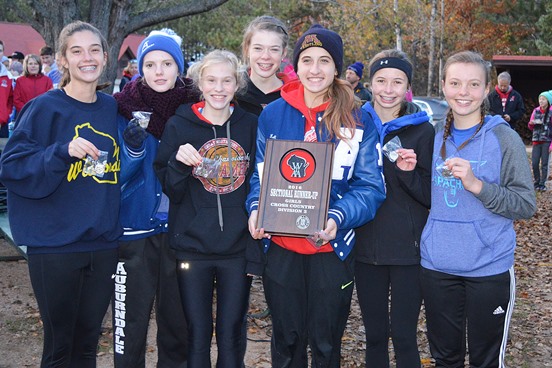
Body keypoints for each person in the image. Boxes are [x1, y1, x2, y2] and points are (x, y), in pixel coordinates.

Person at [246, 24, 386, 367]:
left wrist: (337, 216)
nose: (315, 69)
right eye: (307, 60)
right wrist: (255, 209)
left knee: (325, 345)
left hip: (330, 249)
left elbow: (371, 186)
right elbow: (260, 177)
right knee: (286, 343)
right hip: (281, 247)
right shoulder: (273, 113)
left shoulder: (359, 116)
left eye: (324, 61)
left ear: (336, 67)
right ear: (296, 65)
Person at [0, 21, 122, 367]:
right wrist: (61, 152)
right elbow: (12, 167)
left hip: (102, 244)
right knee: (59, 348)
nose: (87, 58)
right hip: (55, 246)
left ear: (105, 56)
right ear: (63, 60)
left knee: (87, 346)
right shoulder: (43, 108)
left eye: (94, 50)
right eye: (77, 51)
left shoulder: (112, 108)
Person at [420, 51, 537, 367]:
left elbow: (526, 204)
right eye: (455, 83)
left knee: (485, 361)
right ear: (443, 86)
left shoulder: (504, 138)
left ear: (487, 89)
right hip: (437, 266)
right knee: (445, 359)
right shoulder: (431, 137)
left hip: (489, 268)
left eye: (473, 84)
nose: (463, 92)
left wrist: (477, 186)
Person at [154, 49, 260, 367]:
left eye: (227, 81)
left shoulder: (250, 125)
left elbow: (261, 179)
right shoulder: (179, 125)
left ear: (237, 83)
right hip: (192, 248)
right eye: (211, 80)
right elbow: (170, 189)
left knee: (231, 334)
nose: (219, 88)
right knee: (197, 334)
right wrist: (178, 163)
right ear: (200, 82)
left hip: (237, 248)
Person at [112, 28, 196, 368]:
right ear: (140, 69)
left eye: (166, 63)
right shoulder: (121, 110)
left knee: (177, 325)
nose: (158, 71)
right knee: (129, 326)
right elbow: (109, 179)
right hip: (134, 230)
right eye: (149, 64)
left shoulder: (196, 109)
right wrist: (132, 150)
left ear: (179, 67)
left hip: (179, 231)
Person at [355, 49, 434, 368]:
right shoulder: (352, 123)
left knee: (403, 336)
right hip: (363, 248)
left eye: (397, 82)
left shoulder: (422, 130)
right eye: (381, 81)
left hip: (408, 252)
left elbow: (431, 195)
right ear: (370, 84)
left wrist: (408, 173)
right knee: (373, 335)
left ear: (407, 87)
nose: (388, 90)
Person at [238, 15, 291, 116]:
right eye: (258, 48)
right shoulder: (232, 94)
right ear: (247, 49)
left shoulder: (295, 95)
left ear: (283, 53)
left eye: (274, 49)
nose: (265, 56)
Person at [527, 90, 552, 192]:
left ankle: (542, 184)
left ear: (548, 101)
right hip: (536, 140)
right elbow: (530, 126)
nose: (541, 101)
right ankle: (536, 182)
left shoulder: (550, 112)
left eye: (543, 99)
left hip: (546, 141)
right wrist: (531, 123)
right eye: (540, 99)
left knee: (545, 163)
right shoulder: (535, 110)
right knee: (535, 163)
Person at [0, 40, 13, 137]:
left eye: (0, 51)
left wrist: (4, 115)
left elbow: (10, 99)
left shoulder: (7, 77)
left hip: (2, 124)